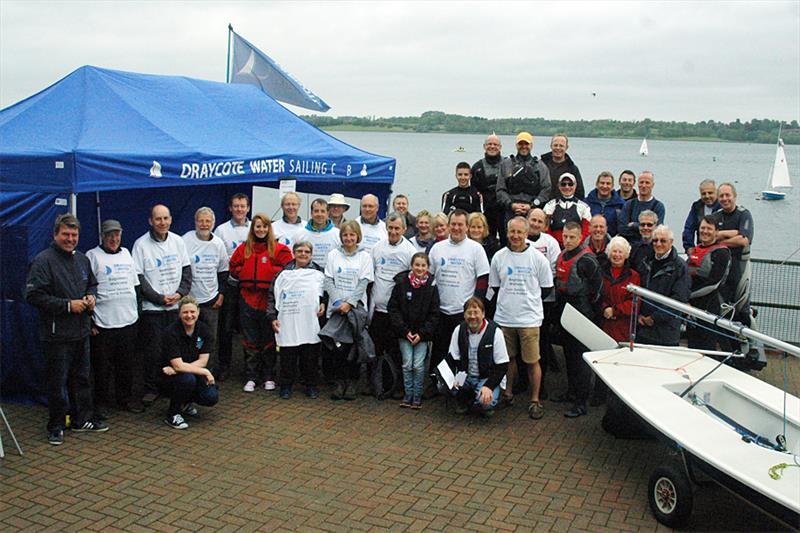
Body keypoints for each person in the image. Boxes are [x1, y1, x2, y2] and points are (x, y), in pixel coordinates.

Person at [26, 214, 107, 445]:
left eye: (74, 235)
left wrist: (91, 296)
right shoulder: (43, 261)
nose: (70, 239)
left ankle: (82, 420)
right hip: (56, 335)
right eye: (66, 234)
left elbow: (92, 283)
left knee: (82, 378)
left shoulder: (82, 259)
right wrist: (67, 305)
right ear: (55, 235)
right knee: (57, 381)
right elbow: (33, 295)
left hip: (81, 332)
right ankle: (56, 425)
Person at [490, 217, 553, 420]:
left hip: (529, 320)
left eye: (519, 232)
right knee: (508, 360)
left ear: (526, 234)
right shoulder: (499, 257)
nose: (515, 236)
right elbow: (496, 286)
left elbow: (546, 288)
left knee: (532, 361)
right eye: (512, 232)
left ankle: (534, 401)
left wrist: (528, 302)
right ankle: (508, 394)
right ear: (507, 233)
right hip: (505, 318)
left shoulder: (538, 258)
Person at [132, 204, 192, 405]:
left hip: (176, 308)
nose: (162, 222)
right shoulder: (140, 245)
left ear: (171, 219)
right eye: (158, 219)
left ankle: (171, 387)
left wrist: (180, 294)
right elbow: (138, 279)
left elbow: (187, 272)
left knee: (174, 350)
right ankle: (151, 388)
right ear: (150, 221)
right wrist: (159, 298)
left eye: (166, 218)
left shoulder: (178, 241)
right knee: (153, 352)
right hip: (153, 310)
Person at [229, 213, 293, 393]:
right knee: (249, 340)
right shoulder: (244, 249)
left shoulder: (279, 249)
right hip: (247, 299)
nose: (261, 230)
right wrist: (244, 271)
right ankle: (251, 376)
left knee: (268, 339)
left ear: (269, 229)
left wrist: (270, 271)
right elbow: (233, 267)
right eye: (257, 226)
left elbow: (289, 268)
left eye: (264, 226)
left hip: (268, 299)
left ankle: (269, 376)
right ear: (253, 228)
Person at [428, 210, 491, 393]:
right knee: (439, 350)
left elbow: (483, 279)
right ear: (448, 225)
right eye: (453, 224)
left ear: (466, 227)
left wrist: (474, 307)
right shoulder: (437, 248)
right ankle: (436, 384)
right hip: (441, 310)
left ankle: (461, 388)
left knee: (462, 353)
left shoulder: (475, 249)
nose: (456, 228)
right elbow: (430, 278)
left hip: (463, 313)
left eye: (460, 224)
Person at [86, 219, 142, 415]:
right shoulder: (92, 256)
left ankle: (125, 399)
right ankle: (101, 404)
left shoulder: (127, 254)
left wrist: (138, 313)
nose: (114, 238)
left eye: (116, 234)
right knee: (102, 368)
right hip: (103, 323)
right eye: (109, 235)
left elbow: (135, 286)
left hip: (128, 321)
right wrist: (90, 321)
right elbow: (87, 289)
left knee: (126, 365)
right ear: (102, 236)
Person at [322, 220, 375, 401]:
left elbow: (363, 283)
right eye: (345, 235)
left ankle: (352, 382)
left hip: (355, 310)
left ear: (358, 236)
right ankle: (339, 383)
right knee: (337, 349)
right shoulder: (333, 255)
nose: (348, 238)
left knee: (353, 347)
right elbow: (328, 280)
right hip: (337, 310)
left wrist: (349, 304)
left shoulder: (365, 257)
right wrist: (338, 302)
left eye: (352, 235)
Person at [555, 222, 602, 418]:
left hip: (581, 310)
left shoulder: (587, 260)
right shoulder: (562, 255)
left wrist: (591, 316)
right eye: (565, 236)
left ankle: (581, 402)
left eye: (572, 237)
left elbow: (597, 290)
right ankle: (571, 393)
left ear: (581, 237)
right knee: (569, 356)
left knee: (580, 358)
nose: (567, 240)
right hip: (564, 308)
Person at [267, 241, 326, 399]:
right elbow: (273, 296)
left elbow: (325, 293)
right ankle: (286, 386)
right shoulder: (283, 274)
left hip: (309, 322)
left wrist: (323, 304)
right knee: (288, 356)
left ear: (311, 254)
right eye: (300, 251)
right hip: (288, 321)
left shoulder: (319, 273)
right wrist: (272, 317)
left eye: (307, 251)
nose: (303, 254)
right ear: (294, 253)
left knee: (310, 356)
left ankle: (311, 385)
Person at [369, 213, 417, 398]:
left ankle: (397, 386)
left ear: (404, 229)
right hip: (379, 310)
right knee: (377, 349)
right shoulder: (377, 248)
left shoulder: (409, 251)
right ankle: (376, 384)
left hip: (398, 313)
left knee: (397, 352)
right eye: (390, 227)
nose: (393, 231)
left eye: (397, 228)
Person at [388, 252, 440, 409]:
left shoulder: (432, 286)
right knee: (407, 364)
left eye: (423, 265)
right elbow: (393, 308)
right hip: (405, 333)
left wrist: (422, 333)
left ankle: (417, 395)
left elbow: (434, 313)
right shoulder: (402, 283)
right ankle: (408, 394)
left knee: (418, 365)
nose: (420, 268)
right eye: (417, 265)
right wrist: (404, 331)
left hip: (421, 336)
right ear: (411, 266)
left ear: (428, 268)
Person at [441, 297, 509, 418]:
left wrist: (489, 386)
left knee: (485, 401)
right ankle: (464, 400)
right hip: (465, 376)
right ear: (464, 315)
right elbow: (452, 357)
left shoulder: (495, 332)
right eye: (469, 313)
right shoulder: (459, 330)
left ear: (483, 314)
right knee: (442, 385)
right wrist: (453, 378)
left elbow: (502, 366)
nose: (472, 316)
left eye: (476, 312)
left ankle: (484, 403)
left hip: (486, 377)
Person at [159, 296, 219, 430]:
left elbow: (203, 361)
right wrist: (205, 371)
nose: (189, 316)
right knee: (187, 379)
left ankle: (185, 403)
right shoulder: (171, 332)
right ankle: (172, 414)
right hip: (167, 378)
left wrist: (178, 368)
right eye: (185, 312)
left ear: (198, 312)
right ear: (179, 313)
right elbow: (179, 364)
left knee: (211, 397)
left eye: (192, 312)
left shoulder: (204, 330)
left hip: (180, 371)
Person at [182, 207, 228, 373]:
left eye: (207, 221)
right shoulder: (185, 240)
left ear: (213, 223)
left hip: (210, 300)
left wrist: (221, 295)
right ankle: (187, 371)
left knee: (209, 338)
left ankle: (208, 372)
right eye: (201, 221)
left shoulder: (218, 244)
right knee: (189, 337)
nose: (204, 224)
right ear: (195, 222)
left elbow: (223, 272)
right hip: (189, 301)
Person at [213, 192, 251, 382]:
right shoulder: (221, 230)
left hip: (248, 287)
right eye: (236, 206)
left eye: (242, 206)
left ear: (248, 208)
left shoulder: (255, 228)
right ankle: (224, 366)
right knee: (225, 329)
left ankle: (249, 367)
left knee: (247, 328)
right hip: (229, 285)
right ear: (230, 208)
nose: (239, 209)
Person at [710, 182, 754, 338]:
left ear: (734, 196)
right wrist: (733, 233)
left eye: (727, 195)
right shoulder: (716, 215)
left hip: (739, 267)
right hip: (721, 267)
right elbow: (709, 237)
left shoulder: (744, 214)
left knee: (742, 305)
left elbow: (744, 239)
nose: (724, 198)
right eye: (721, 195)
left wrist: (721, 238)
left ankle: (749, 339)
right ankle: (724, 338)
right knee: (721, 304)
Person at [526, 208, 561, 395]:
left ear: (545, 225)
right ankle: (523, 382)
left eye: (540, 221)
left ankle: (542, 384)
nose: (536, 224)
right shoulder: (519, 240)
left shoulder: (551, 243)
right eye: (533, 220)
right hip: (523, 301)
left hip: (545, 300)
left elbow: (554, 270)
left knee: (542, 343)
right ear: (527, 220)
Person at [636, 225, 690, 346]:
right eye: (655, 240)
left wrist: (654, 318)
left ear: (671, 242)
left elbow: (679, 300)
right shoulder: (646, 261)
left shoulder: (680, 267)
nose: (658, 244)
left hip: (666, 334)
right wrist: (638, 315)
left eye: (663, 241)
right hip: (643, 330)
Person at [496, 132, 551, 243]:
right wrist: (511, 205)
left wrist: (531, 206)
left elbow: (546, 189)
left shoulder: (540, 166)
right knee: (511, 242)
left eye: (526, 144)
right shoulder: (506, 164)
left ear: (531, 145)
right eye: (521, 144)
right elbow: (500, 189)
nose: (523, 146)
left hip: (531, 211)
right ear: (516, 145)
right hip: (511, 211)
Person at [686, 217, 731, 350]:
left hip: (709, 304)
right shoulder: (696, 249)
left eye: (709, 229)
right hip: (691, 306)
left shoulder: (722, 252)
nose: (705, 231)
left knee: (706, 345)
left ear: (716, 232)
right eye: (703, 228)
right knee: (692, 342)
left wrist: (689, 295)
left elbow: (714, 283)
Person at [599, 236, 641, 344]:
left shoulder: (633, 276)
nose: (617, 255)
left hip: (624, 329)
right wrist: (604, 308)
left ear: (626, 255)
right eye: (614, 251)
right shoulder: (600, 273)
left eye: (620, 252)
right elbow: (596, 295)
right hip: (603, 325)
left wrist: (614, 310)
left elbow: (634, 303)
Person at [543, 172, 592, 248]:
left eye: (570, 184)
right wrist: (554, 244)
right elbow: (545, 228)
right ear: (559, 186)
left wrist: (576, 244)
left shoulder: (583, 207)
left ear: (575, 186)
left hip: (576, 246)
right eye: (563, 184)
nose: (567, 187)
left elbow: (586, 230)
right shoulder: (550, 206)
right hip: (554, 246)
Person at [471, 133, 504, 241]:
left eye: (495, 144)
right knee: (487, 240)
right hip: (486, 211)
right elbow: (474, 191)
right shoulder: (477, 167)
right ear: (484, 146)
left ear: (500, 147)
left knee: (506, 239)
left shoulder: (507, 164)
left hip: (503, 210)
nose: (492, 147)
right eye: (489, 144)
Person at [617, 171, 666, 241]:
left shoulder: (658, 207)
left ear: (652, 185)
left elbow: (657, 231)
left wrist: (634, 225)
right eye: (641, 182)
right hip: (631, 246)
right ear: (637, 184)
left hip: (650, 247)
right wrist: (645, 230)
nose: (644, 186)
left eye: (647, 183)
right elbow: (622, 229)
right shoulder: (629, 204)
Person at [297, 198, 340, 269]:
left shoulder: (337, 234)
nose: (319, 214)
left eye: (323, 211)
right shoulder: (300, 233)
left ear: (328, 213)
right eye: (316, 211)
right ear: (311, 213)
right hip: (306, 275)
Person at [541, 133, 586, 199]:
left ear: (566, 147)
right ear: (551, 146)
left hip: (565, 206)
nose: (558, 148)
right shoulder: (541, 165)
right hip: (542, 205)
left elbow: (580, 193)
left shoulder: (572, 168)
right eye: (555, 145)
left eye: (561, 146)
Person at [681, 180, 720, 254]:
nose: (707, 196)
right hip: (701, 250)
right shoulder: (697, 206)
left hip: (719, 250)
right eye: (704, 194)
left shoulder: (722, 207)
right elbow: (689, 228)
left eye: (710, 193)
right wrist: (689, 247)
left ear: (717, 193)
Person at [585, 171, 625, 236]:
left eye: (608, 183)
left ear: (612, 186)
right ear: (597, 184)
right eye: (602, 183)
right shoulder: (586, 203)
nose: (605, 186)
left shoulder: (621, 205)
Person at [629, 210, 659, 274]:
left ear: (655, 226)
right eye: (642, 224)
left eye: (649, 225)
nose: (645, 228)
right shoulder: (633, 249)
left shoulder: (661, 248)